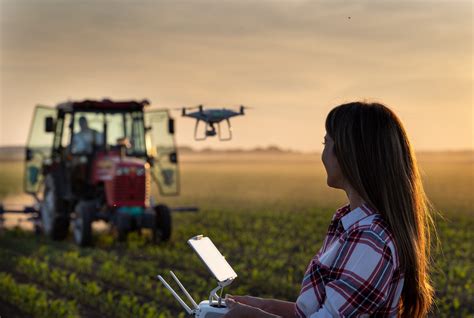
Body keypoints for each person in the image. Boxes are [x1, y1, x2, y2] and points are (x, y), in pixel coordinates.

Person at [223, 102, 436, 317]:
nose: (323, 154)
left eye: (326, 142)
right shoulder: (349, 222)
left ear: (349, 153)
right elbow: (319, 312)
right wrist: (263, 306)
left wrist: (250, 316)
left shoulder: (369, 239)